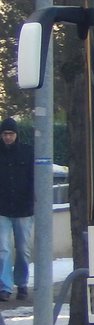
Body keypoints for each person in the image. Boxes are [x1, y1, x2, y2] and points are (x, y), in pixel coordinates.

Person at [0, 117, 34, 302]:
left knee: (22, 249)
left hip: (23, 209)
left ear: (16, 135)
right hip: (2, 209)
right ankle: (5, 287)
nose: (8, 137)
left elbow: (34, 178)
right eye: (5, 134)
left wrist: (32, 200)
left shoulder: (27, 153)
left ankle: (21, 284)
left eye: (11, 134)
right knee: (3, 249)